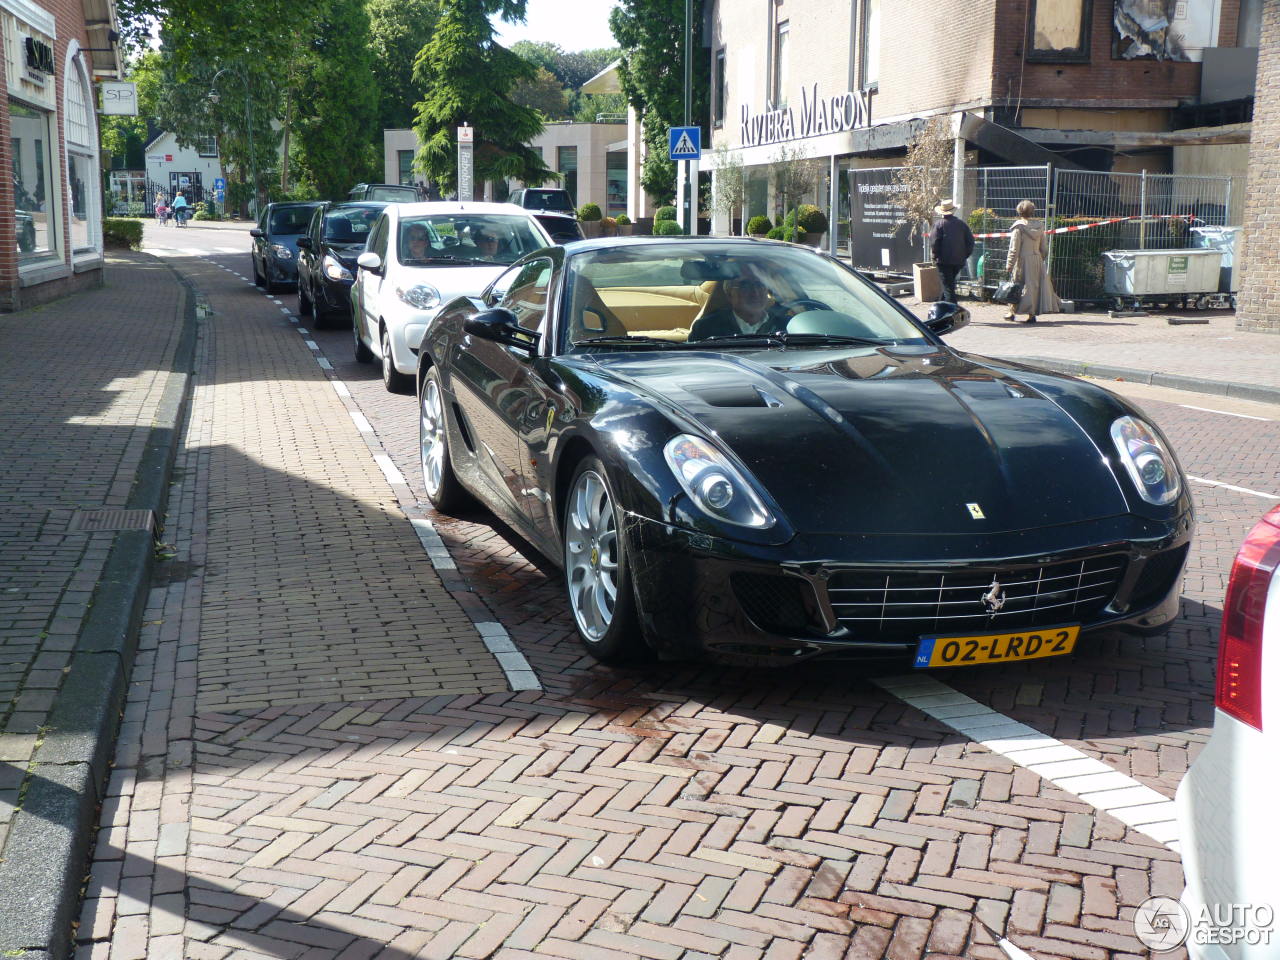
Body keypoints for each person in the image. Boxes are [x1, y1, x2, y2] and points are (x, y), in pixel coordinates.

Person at [688, 263, 790, 341]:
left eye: (759, 284)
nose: (755, 292)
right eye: (745, 286)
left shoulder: (788, 326)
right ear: (729, 294)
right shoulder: (705, 328)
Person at [1003, 200, 1061, 323]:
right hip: (1037, 259)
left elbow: (1014, 249)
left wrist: (1009, 264)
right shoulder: (1039, 226)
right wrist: (1040, 258)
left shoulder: (1018, 227)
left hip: (1023, 260)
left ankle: (1012, 312)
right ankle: (1031, 314)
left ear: (1019, 211)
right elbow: (1044, 248)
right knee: (1034, 286)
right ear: (1032, 211)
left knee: (1017, 285)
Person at [931, 198, 974, 304]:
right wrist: (964, 255)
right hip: (959, 261)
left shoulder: (939, 224)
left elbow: (934, 242)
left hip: (943, 261)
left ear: (942, 212)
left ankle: (953, 312)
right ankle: (941, 305)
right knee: (948, 284)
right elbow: (970, 241)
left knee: (948, 287)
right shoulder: (962, 224)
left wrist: (934, 256)